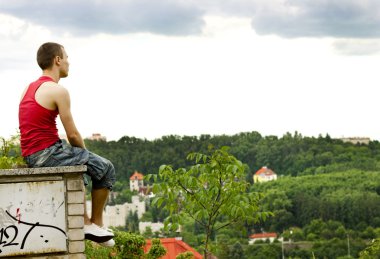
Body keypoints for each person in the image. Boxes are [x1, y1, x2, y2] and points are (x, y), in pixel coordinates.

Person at [18, 42, 116, 247]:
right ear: (57, 60)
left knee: (81, 166)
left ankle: (89, 224)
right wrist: (85, 155)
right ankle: (94, 224)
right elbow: (72, 134)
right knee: (104, 167)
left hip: (31, 154)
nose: (69, 62)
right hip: (47, 152)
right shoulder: (57, 90)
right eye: (67, 57)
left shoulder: (28, 88)